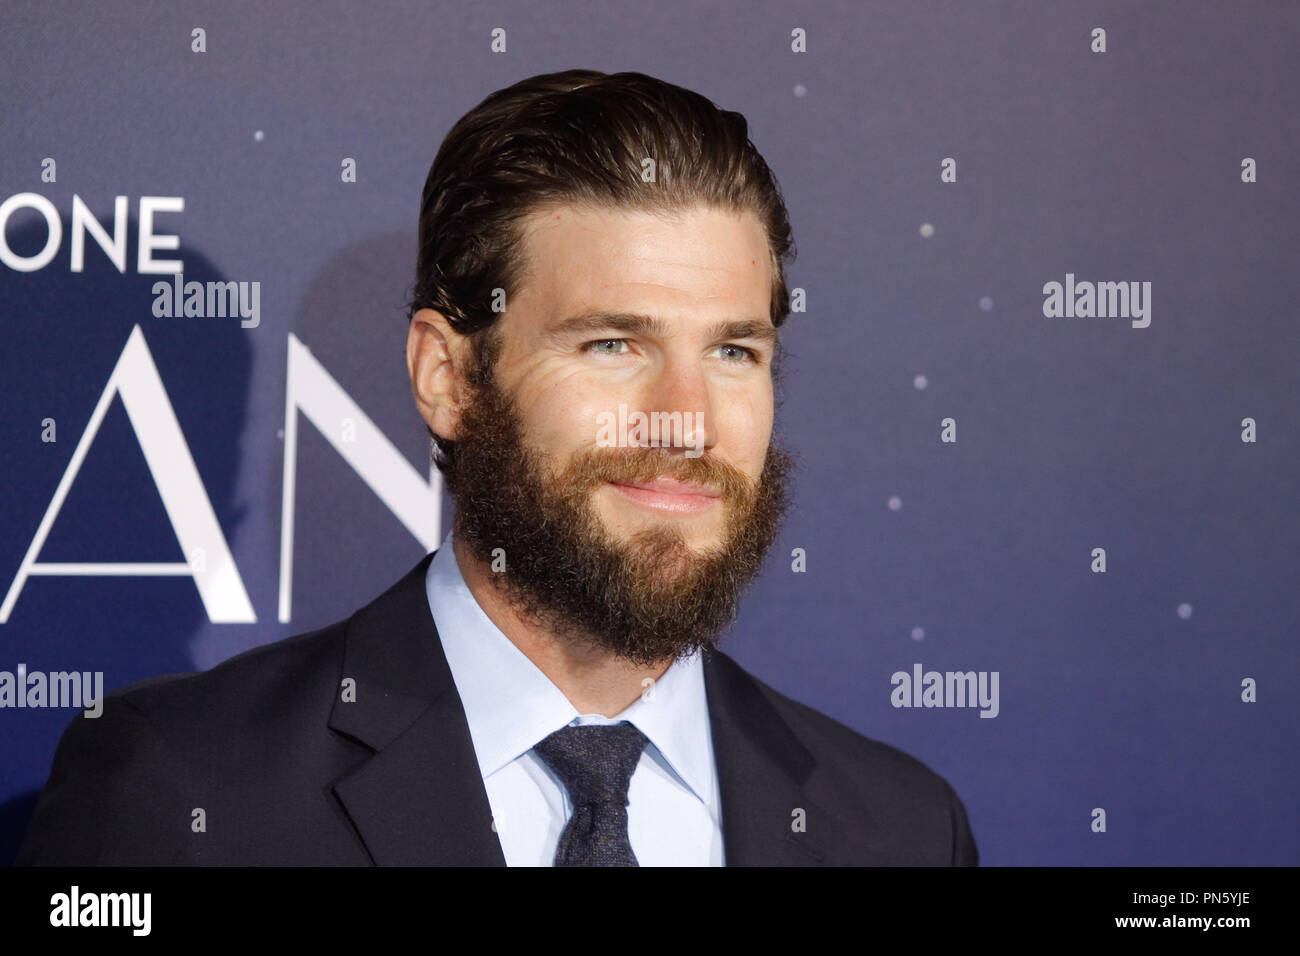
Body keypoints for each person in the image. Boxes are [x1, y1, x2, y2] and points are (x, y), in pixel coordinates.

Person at [17, 69, 978, 866]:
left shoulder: (898, 831)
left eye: (734, 352)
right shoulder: (187, 795)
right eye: (613, 344)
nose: (687, 419)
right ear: (449, 377)